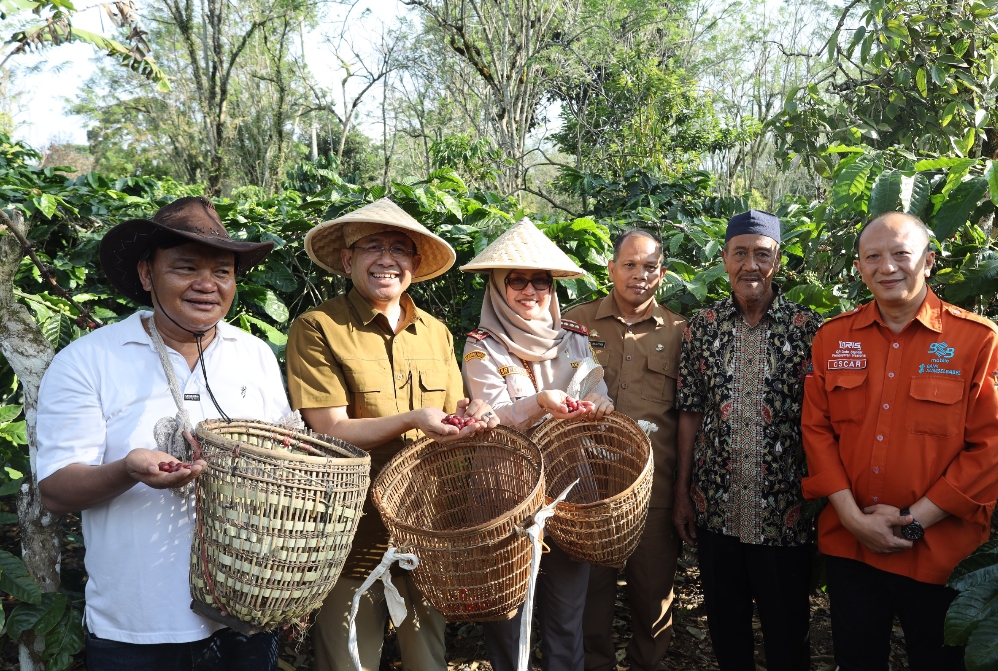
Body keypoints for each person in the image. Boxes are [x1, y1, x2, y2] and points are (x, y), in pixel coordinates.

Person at [36, 197, 287, 670]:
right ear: (147, 275)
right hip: (138, 623)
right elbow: (55, 491)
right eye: (186, 268)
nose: (207, 285)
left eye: (223, 272)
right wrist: (128, 468)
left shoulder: (252, 355)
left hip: (245, 611)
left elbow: (281, 455)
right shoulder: (89, 360)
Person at [286, 198, 498, 671]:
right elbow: (330, 429)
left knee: (428, 658)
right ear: (347, 260)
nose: (387, 259)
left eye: (399, 249)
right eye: (372, 247)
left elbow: (450, 413)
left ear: (414, 264)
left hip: (426, 526)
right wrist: (412, 420)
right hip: (351, 530)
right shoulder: (318, 328)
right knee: (348, 661)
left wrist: (473, 414)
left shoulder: (437, 333)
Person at [801, 211, 998, 671]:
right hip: (851, 547)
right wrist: (852, 517)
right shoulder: (832, 338)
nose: (887, 267)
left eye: (901, 254)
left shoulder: (980, 341)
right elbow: (817, 431)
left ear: (929, 260)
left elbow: (994, 447)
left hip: (942, 555)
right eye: (873, 257)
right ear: (859, 267)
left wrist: (914, 521)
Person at [459, 217, 615, 671]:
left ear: (552, 287)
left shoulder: (575, 338)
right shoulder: (481, 345)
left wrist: (600, 409)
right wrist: (540, 404)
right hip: (503, 493)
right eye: (517, 281)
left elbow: (595, 390)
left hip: (569, 490)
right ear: (497, 286)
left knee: (568, 615)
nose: (531, 291)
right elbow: (489, 417)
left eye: (540, 281)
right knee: (510, 617)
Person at [673, 210, 823, 671]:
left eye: (762, 254)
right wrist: (682, 492)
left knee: (787, 633)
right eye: (741, 254)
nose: (751, 265)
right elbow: (690, 412)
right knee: (727, 630)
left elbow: (826, 422)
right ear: (724, 259)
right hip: (717, 509)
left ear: (777, 261)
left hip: (784, 514)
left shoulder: (809, 329)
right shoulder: (703, 327)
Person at [562, 229, 685, 671]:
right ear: (611, 268)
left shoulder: (679, 332)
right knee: (589, 597)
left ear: (662, 274)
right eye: (629, 265)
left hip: (653, 490)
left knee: (653, 596)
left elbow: (688, 416)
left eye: (650, 266)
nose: (639, 275)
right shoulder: (575, 323)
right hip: (587, 492)